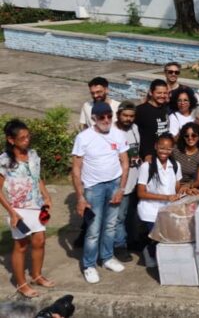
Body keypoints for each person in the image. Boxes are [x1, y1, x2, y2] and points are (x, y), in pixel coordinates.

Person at [71, 102, 130, 284]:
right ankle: (89, 265)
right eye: (101, 117)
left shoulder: (119, 134)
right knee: (93, 229)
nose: (106, 120)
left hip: (114, 184)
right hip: (93, 187)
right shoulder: (83, 137)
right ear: (94, 118)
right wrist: (80, 197)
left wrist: (121, 189)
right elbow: (76, 169)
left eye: (109, 116)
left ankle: (107, 257)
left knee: (111, 225)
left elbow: (125, 163)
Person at [0, 119, 54, 298]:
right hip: (18, 210)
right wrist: (12, 213)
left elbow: (37, 178)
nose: (26, 140)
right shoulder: (4, 160)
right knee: (21, 246)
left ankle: (36, 275)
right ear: (11, 140)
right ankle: (21, 284)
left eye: (28, 136)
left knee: (40, 241)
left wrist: (46, 196)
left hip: (37, 206)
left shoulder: (33, 155)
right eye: (22, 138)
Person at [137, 133, 199, 268]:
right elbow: (141, 193)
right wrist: (166, 197)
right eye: (161, 148)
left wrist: (187, 190)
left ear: (172, 149)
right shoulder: (146, 166)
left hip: (167, 209)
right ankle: (148, 252)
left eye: (168, 149)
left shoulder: (175, 165)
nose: (164, 152)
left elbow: (177, 187)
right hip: (150, 210)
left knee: (166, 238)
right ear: (156, 146)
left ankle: (156, 256)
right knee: (156, 238)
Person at [113, 101, 141, 263]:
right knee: (119, 217)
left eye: (131, 116)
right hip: (120, 182)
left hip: (135, 179)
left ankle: (131, 241)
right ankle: (119, 246)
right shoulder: (112, 131)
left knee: (132, 214)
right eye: (125, 115)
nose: (128, 119)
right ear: (118, 115)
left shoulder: (135, 128)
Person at [134, 80, 169, 164]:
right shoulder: (140, 110)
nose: (162, 96)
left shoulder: (165, 108)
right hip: (147, 157)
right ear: (150, 92)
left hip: (163, 155)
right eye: (159, 93)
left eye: (165, 93)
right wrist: (145, 154)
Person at [173, 122, 199, 190]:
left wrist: (187, 186)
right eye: (186, 136)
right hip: (171, 186)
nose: (190, 138)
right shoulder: (175, 150)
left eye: (194, 135)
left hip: (188, 188)